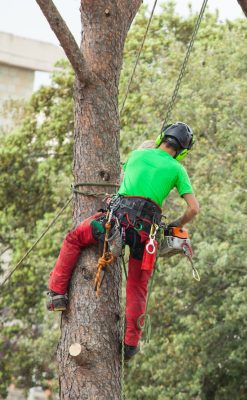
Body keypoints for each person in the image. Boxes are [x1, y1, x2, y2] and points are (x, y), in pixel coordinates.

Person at [46, 122, 200, 360]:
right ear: (183, 151)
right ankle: (130, 345)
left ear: (161, 138)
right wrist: (174, 226)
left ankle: (57, 294)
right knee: (138, 285)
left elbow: (129, 177)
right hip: (146, 233)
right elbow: (193, 209)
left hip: (116, 219)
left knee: (74, 238)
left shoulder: (138, 154)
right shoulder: (178, 169)